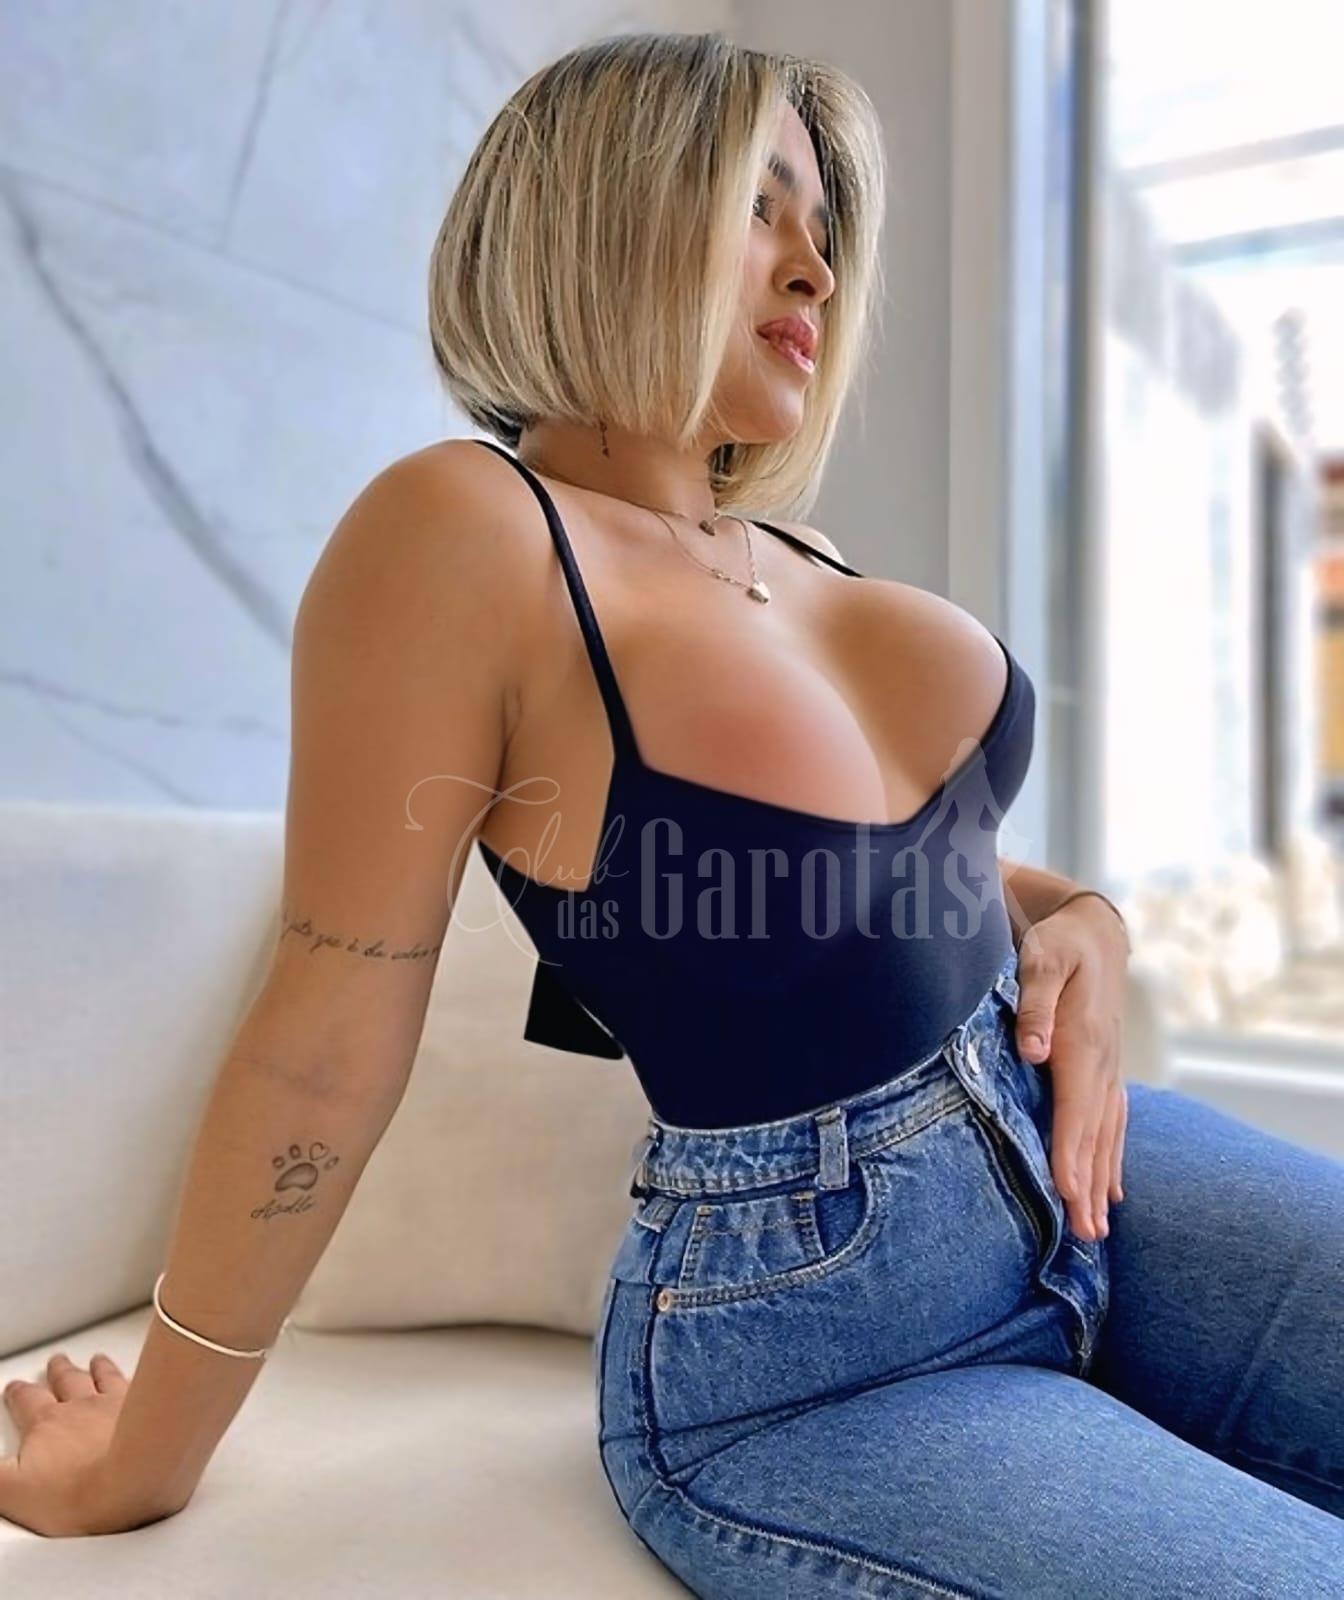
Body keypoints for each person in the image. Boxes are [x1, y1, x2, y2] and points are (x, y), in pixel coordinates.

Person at [3, 29, 1340, 1594]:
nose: (816, 269)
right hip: (825, 1347)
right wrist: (146, 1455)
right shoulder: (466, 530)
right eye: (760, 207)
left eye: (823, 230)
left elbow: (889, 889)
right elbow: (324, 1042)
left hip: (1085, 1163)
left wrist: (1085, 919)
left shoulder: (797, 556)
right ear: (606, 212)